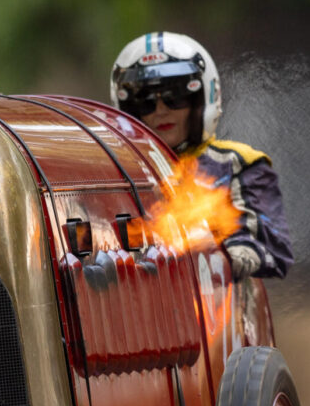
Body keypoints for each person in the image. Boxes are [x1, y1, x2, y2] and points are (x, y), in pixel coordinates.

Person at [110, 32, 293, 280]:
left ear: (199, 101)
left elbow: (273, 250)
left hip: (216, 300)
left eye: (175, 97)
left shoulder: (238, 164)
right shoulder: (114, 171)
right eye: (146, 101)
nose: (161, 110)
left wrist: (224, 254)